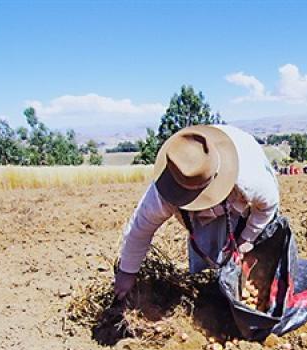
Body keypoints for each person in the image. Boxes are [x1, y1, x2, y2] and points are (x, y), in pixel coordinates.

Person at [114, 124, 279, 299]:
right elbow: (140, 229)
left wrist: (248, 238)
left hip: (243, 179)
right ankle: (216, 283)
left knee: (258, 240)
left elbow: (268, 206)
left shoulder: (249, 178)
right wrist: (127, 272)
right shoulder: (164, 189)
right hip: (211, 200)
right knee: (208, 243)